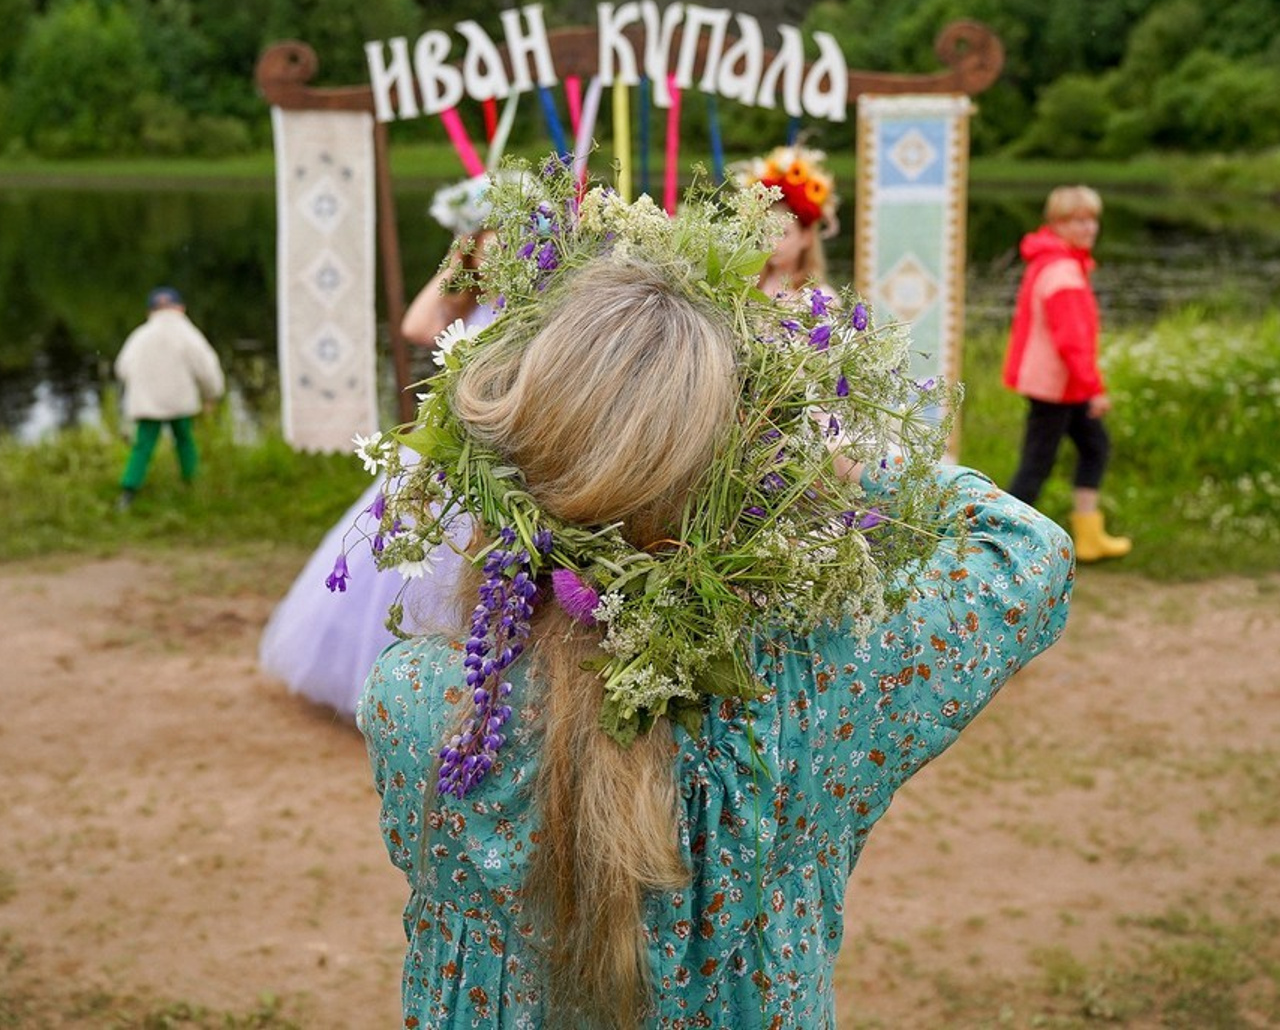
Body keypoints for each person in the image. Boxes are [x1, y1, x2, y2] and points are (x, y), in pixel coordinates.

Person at [356, 166, 1073, 1029]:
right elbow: (1028, 552)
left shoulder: (420, 707)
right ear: (740, 474)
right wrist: (835, 458)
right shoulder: (810, 698)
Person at [258, 177, 496, 720]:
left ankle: (466, 693)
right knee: (398, 560)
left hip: (493, 458)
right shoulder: (471, 306)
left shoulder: (530, 308)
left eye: (507, 241)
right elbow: (416, 325)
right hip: (443, 451)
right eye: (487, 241)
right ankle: (382, 689)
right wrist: (460, 252)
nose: (496, 253)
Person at [1003, 184, 1132, 563]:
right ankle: (998, 539)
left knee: (1094, 447)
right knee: (1037, 464)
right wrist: (1094, 388)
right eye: (1077, 220)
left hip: (1059, 382)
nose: (1089, 228)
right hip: (1057, 385)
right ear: (1056, 223)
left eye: (1092, 219)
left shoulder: (1055, 261)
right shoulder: (1063, 271)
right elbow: (1072, 341)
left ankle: (1088, 535)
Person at [114, 286, 225, 510]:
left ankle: (128, 492)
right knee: (184, 440)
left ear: (150, 311)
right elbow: (206, 368)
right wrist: (212, 394)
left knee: (143, 446)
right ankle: (192, 483)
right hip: (180, 401)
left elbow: (122, 368)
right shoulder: (188, 334)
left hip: (148, 402)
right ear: (181, 308)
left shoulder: (140, 335)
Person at [738, 144, 837, 296]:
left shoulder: (821, 297)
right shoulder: (745, 290)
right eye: (766, 232)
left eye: (783, 233)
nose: (772, 242)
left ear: (806, 237)